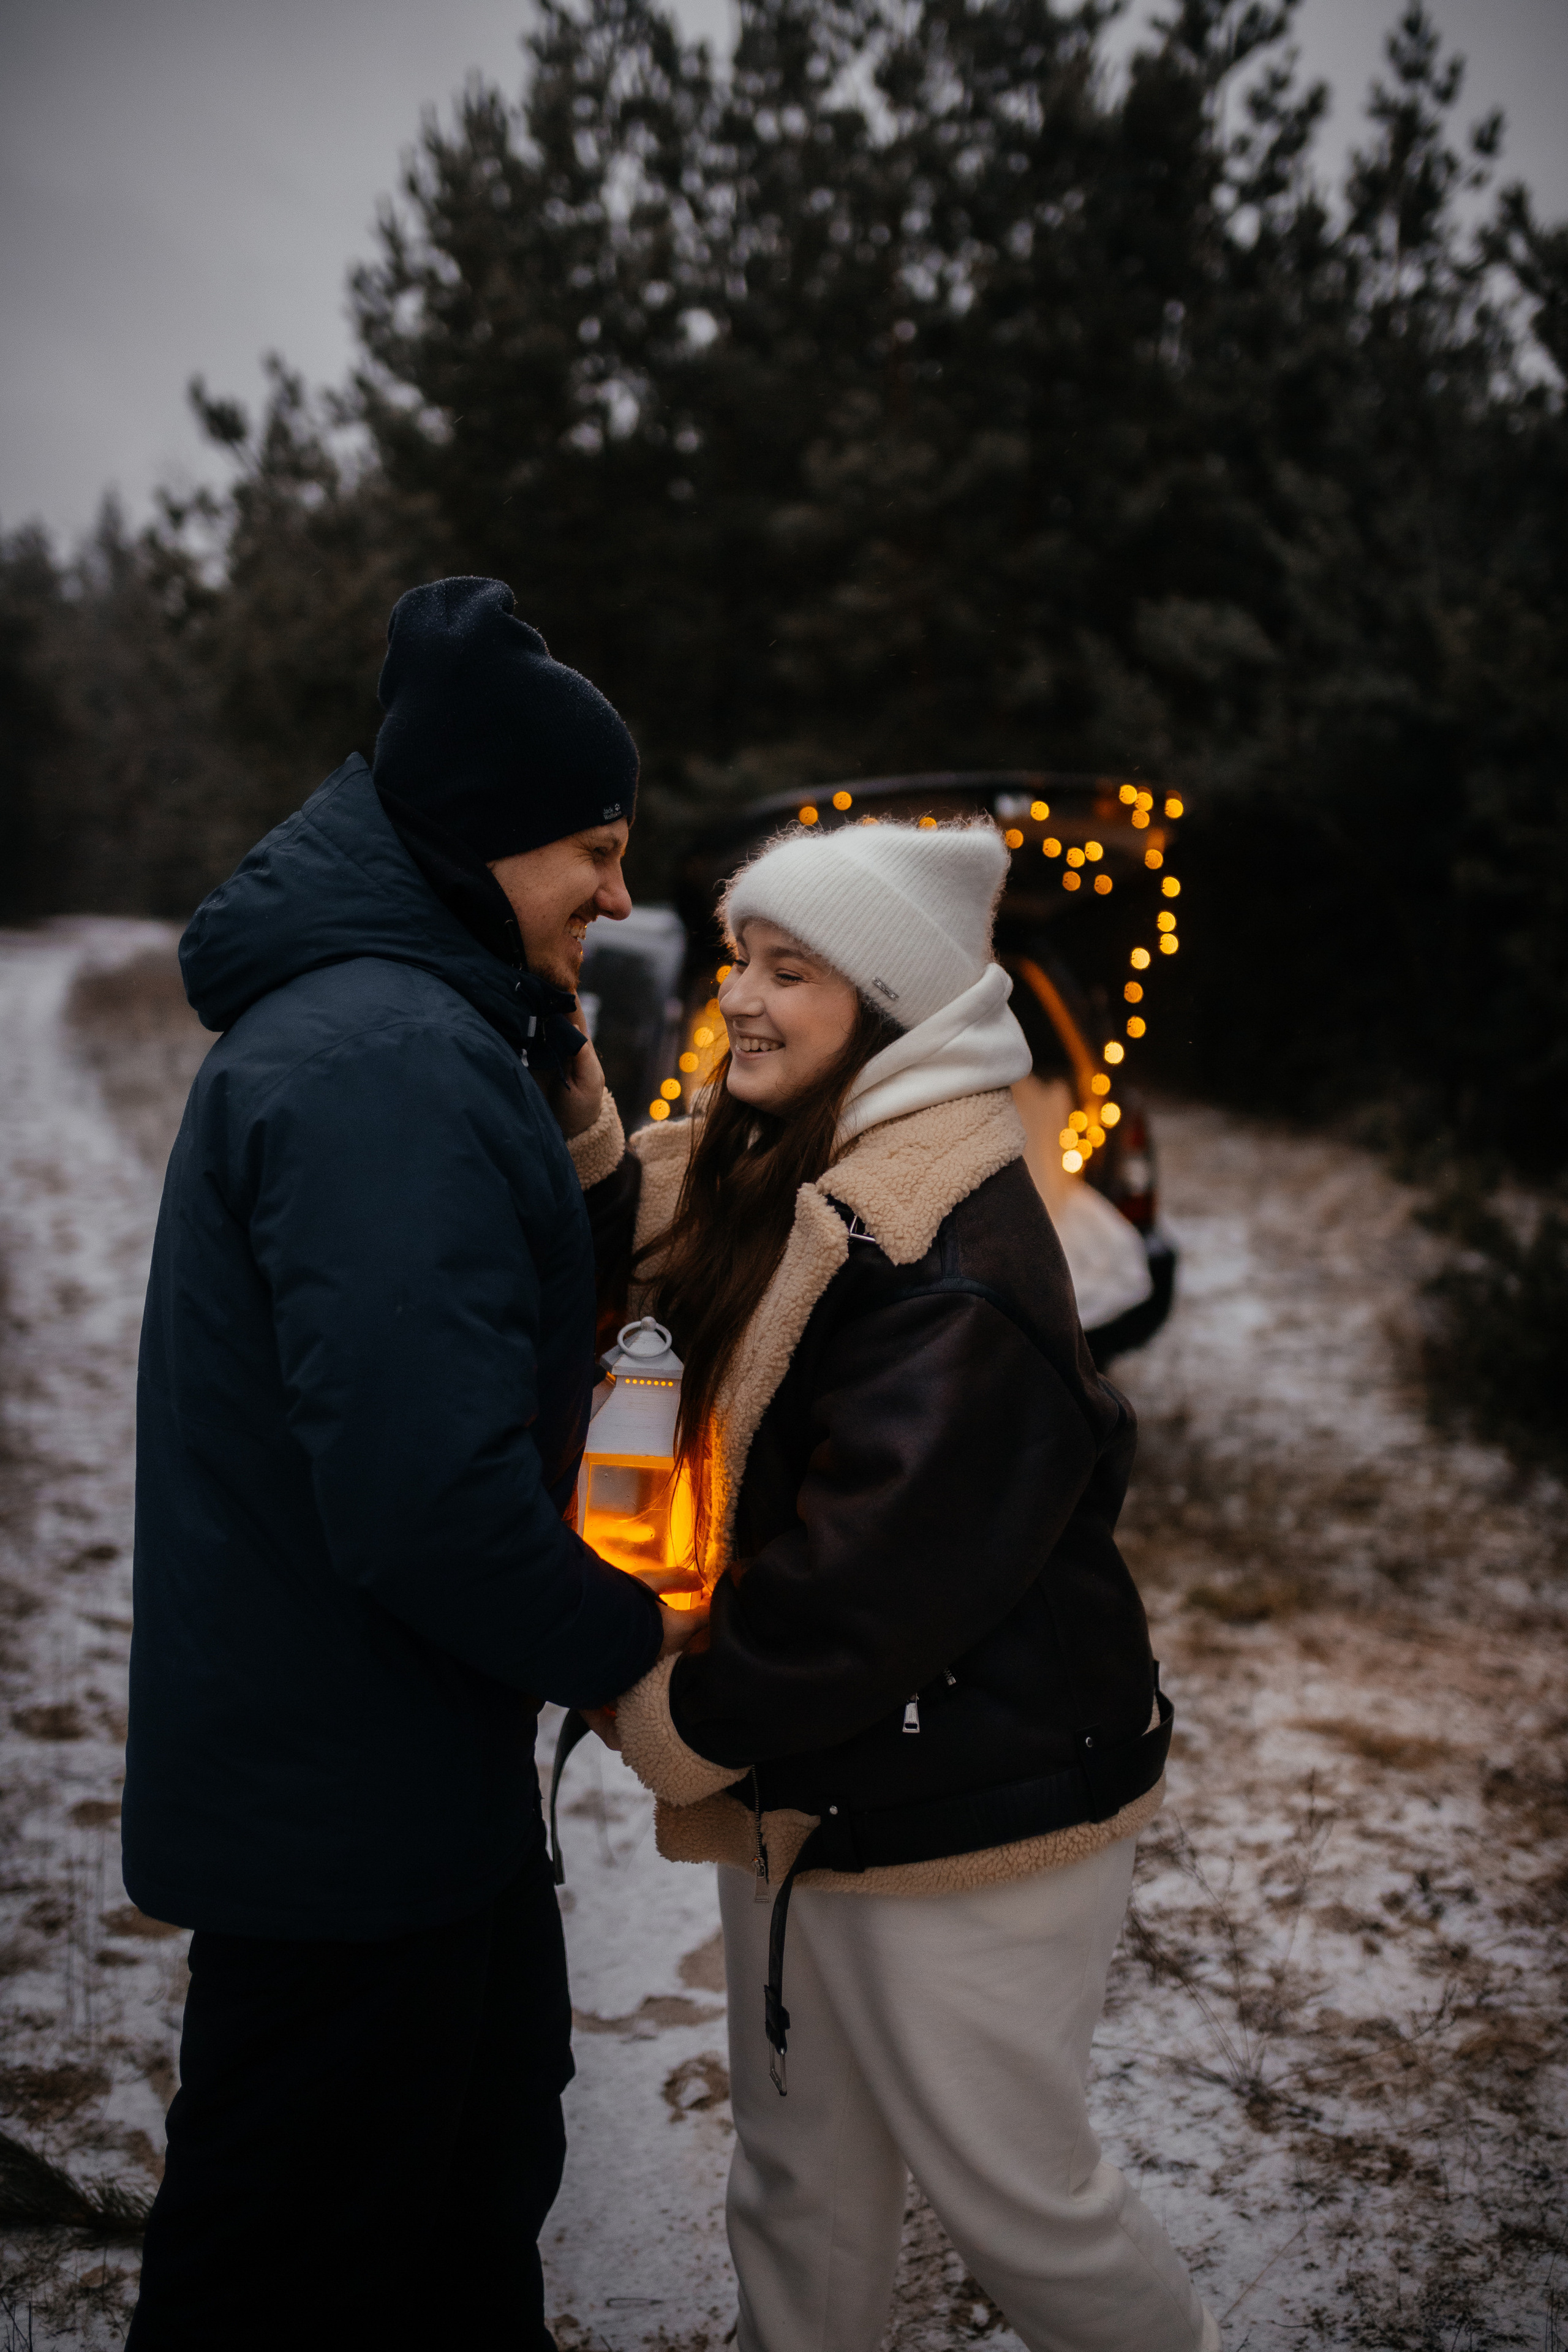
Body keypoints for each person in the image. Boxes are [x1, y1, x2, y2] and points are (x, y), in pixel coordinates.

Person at [124, 576, 698, 2350]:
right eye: (592, 852)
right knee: (298, 2265)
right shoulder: (387, 1062)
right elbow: (422, 1500)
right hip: (349, 1816)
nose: (616, 896)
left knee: (445, 2223)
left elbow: (481, 1309)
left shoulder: (427, 1027)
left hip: (378, 1786)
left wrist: (583, 1125)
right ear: (484, 834)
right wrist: (633, 1658)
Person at [571, 817, 1220, 2352]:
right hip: (814, 1786)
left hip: (973, 1804)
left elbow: (868, 1581)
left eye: (787, 969)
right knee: (798, 2184)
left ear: (888, 1000)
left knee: (1023, 2211)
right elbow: (640, 1223)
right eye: (739, 957)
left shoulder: (950, 1247)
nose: (740, 996)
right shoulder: (784, 1160)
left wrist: (683, 1717)